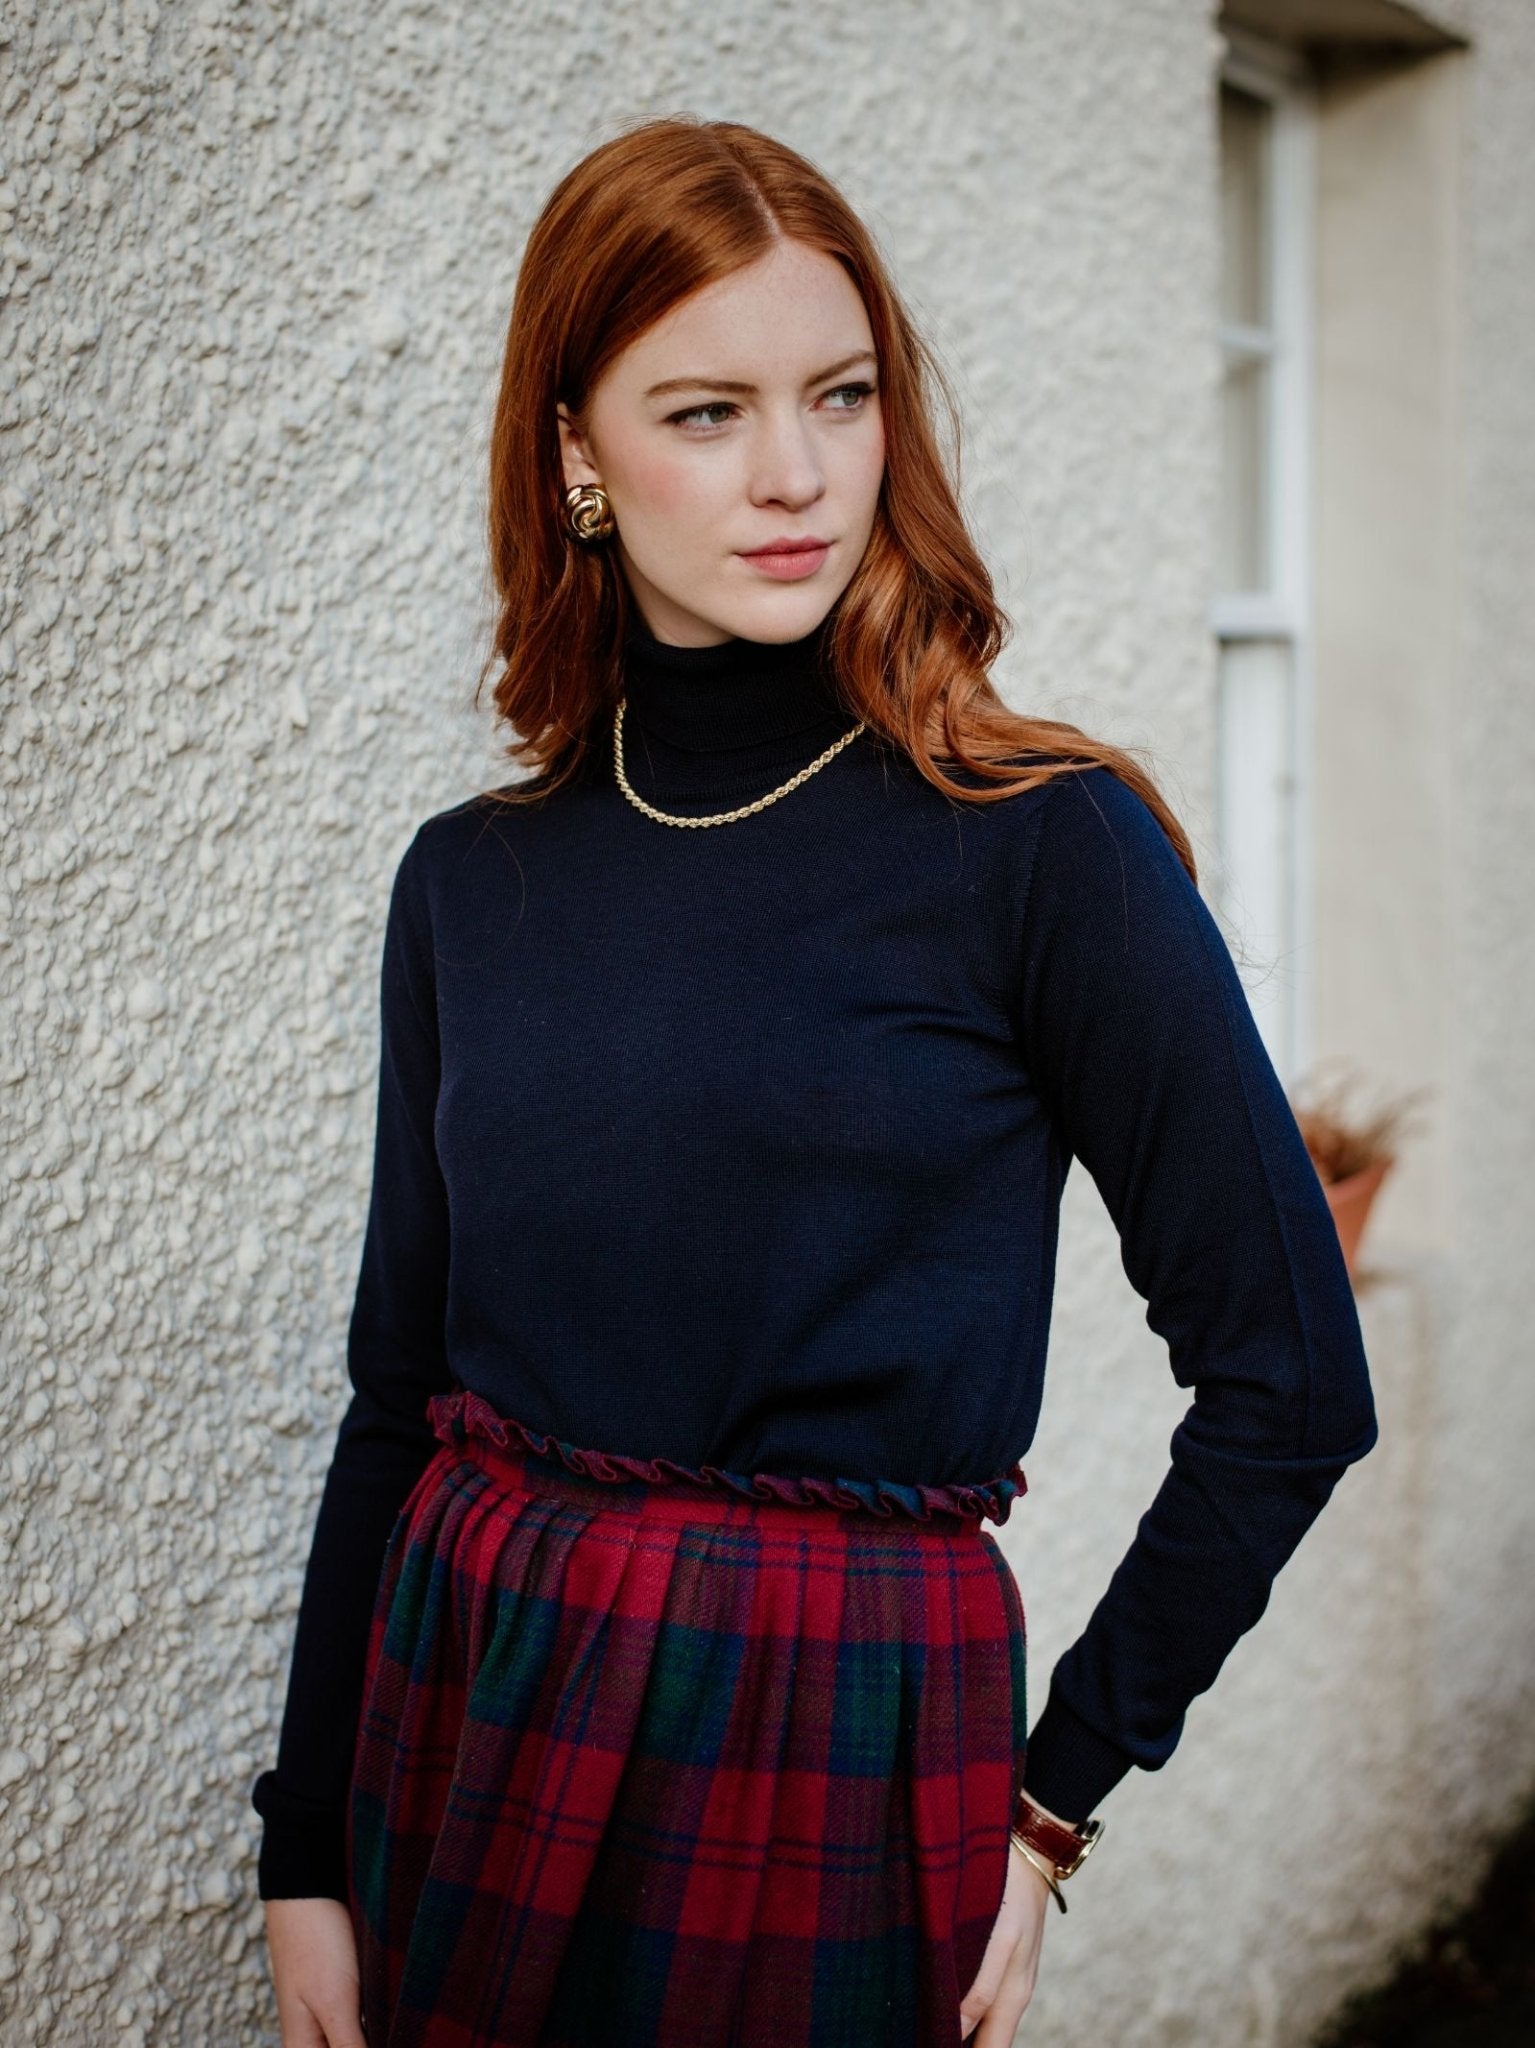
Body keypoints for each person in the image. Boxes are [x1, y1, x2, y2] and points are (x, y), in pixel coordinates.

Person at [251, 117, 1377, 2048]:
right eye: (707, 411)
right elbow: (396, 1395)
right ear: (576, 453)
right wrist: (305, 1851)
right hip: (474, 1707)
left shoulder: (1038, 847)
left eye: (840, 397)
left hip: (831, 1749)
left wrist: (1050, 1804)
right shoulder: (473, 880)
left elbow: (1289, 1384)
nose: (796, 476)